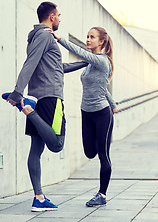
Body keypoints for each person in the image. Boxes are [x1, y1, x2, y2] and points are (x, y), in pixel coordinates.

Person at [6, 1, 87, 212]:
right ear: (51, 17)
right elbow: (30, 63)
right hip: (50, 98)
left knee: (36, 149)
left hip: (38, 96)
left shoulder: (37, 38)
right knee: (57, 144)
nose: (60, 19)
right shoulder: (45, 35)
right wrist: (17, 92)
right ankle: (27, 109)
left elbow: (57, 67)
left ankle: (39, 198)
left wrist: (85, 62)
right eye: (58, 15)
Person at [50, 27, 118, 207]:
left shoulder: (102, 61)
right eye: (87, 36)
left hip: (102, 114)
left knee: (103, 154)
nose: (88, 40)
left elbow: (79, 52)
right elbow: (101, 86)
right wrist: (114, 103)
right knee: (89, 151)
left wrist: (60, 39)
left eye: (92, 37)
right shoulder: (91, 64)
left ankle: (102, 194)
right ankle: (100, 142)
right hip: (86, 112)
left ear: (101, 42)